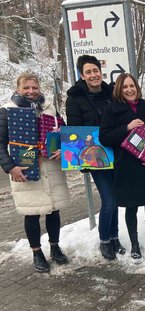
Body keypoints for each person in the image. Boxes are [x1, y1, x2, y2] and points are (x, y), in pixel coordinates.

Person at [0, 72, 70, 272]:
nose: (31, 91)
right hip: (24, 169)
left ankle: (55, 248)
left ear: (39, 89)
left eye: (34, 87)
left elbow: (64, 134)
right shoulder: (7, 110)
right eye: (26, 88)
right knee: (31, 213)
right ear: (18, 89)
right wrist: (10, 167)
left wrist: (63, 148)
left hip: (51, 168)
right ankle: (37, 252)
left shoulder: (50, 109)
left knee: (53, 210)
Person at [99, 73, 145, 261]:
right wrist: (127, 127)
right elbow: (104, 138)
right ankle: (134, 245)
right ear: (119, 90)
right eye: (125, 87)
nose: (129, 90)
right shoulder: (112, 110)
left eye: (132, 86)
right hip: (127, 167)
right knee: (131, 207)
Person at [66, 55, 125, 260]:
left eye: (96, 71)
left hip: (116, 153)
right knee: (109, 200)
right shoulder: (75, 98)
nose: (93, 75)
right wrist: (79, 159)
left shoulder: (112, 93)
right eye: (88, 72)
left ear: (101, 72)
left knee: (116, 198)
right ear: (82, 75)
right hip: (94, 157)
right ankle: (104, 240)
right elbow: (73, 130)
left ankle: (115, 236)